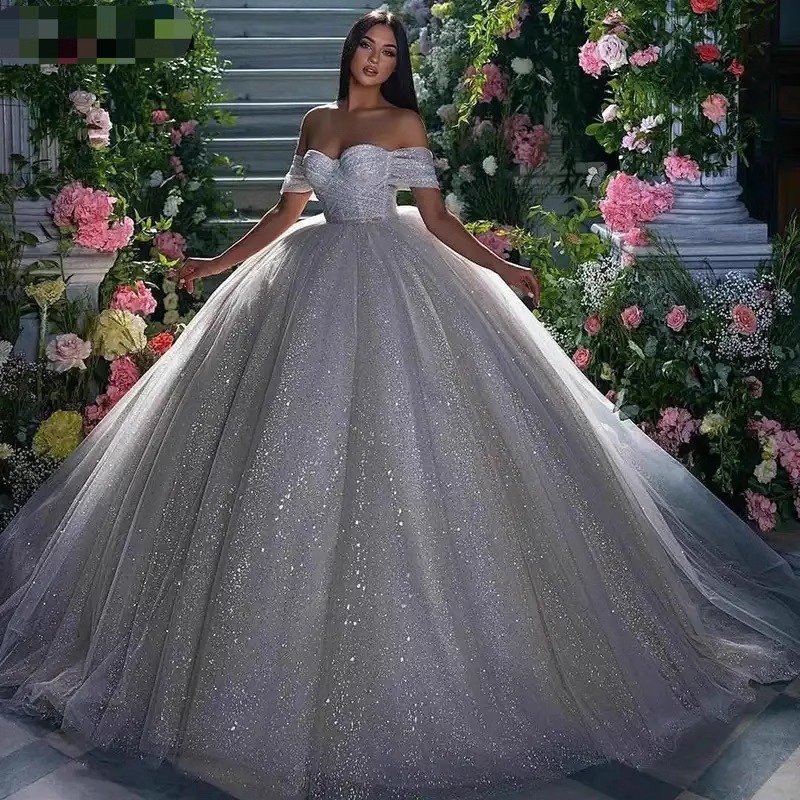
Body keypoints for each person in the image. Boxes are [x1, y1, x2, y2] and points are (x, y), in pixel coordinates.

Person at [1, 9, 799, 800]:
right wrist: (213, 266)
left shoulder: (404, 122)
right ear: (350, 50)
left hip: (395, 276)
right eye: (367, 46)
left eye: (389, 51)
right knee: (279, 455)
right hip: (307, 278)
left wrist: (504, 270)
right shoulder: (316, 120)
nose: (376, 60)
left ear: (397, 63)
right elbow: (284, 214)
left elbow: (437, 218)